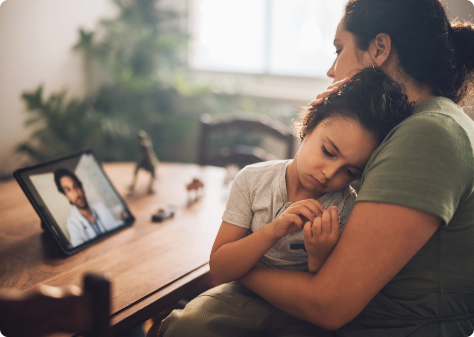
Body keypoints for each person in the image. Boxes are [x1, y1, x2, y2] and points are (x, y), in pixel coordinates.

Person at [155, 0, 474, 335]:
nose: (332, 70)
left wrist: (236, 266)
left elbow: (329, 304)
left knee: (184, 326)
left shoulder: (427, 134)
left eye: (339, 50)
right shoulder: (412, 126)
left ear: (380, 48)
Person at [156, 67, 414, 336]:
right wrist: (274, 230)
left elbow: (324, 292)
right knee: (185, 326)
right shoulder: (253, 180)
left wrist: (318, 256)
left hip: (298, 311)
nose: (329, 174)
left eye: (350, 172)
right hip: (239, 297)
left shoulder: (347, 206)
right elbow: (220, 268)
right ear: (309, 124)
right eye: (328, 151)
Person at [54, 168, 123, 247]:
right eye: (68, 190)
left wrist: (124, 220)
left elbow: (114, 226)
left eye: (76, 186)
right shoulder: (72, 223)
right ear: (67, 197)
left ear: (82, 189)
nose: (76, 194)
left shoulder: (100, 207)